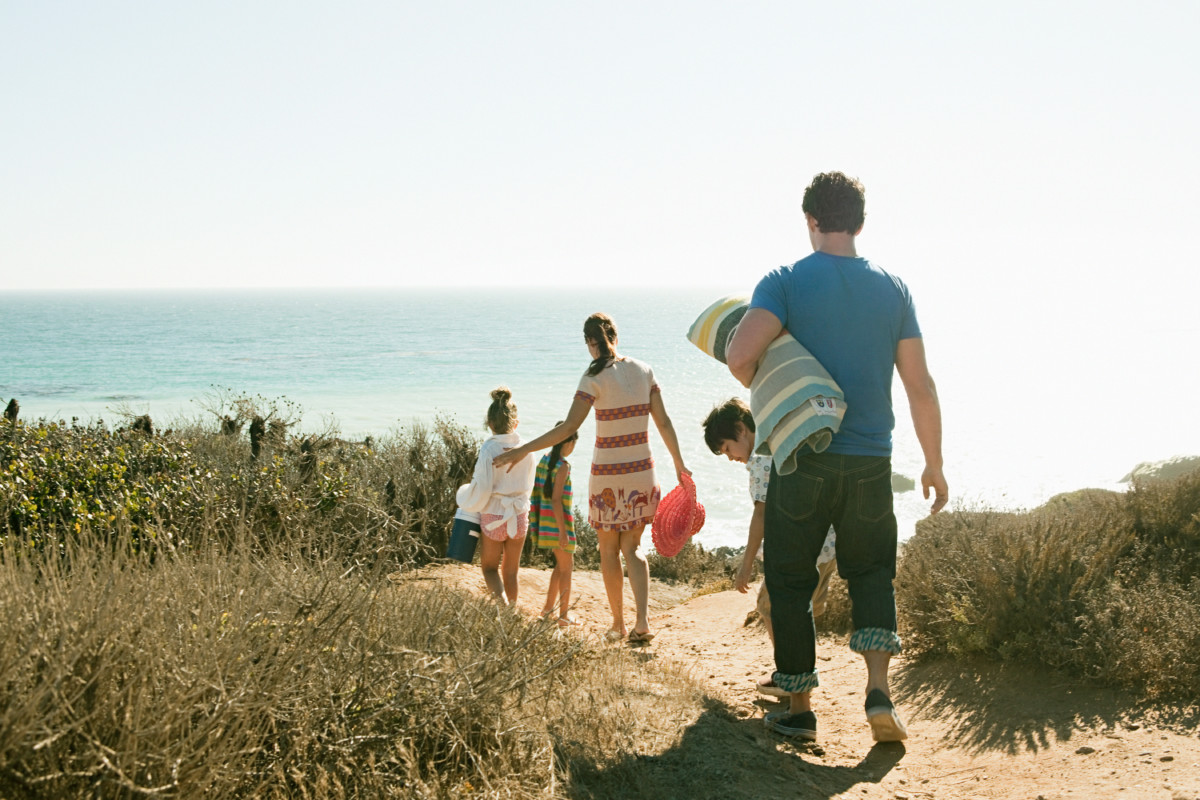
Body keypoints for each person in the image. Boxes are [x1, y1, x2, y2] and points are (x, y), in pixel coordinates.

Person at [726, 171, 948, 744]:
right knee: (872, 572)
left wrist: (777, 378)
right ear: (860, 222)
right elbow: (919, 385)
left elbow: (740, 355)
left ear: (810, 221)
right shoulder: (893, 290)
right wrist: (934, 463)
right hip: (873, 459)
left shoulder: (786, 282)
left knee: (792, 579)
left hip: (803, 459)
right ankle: (879, 694)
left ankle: (800, 707)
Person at [494, 312, 691, 642]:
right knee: (633, 547)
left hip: (608, 477)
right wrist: (679, 465)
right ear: (615, 334)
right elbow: (665, 423)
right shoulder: (644, 370)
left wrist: (521, 450)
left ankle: (619, 624)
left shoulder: (592, 378)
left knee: (607, 550)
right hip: (643, 471)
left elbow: (569, 428)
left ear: (590, 343)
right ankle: (643, 623)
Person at [702, 397, 837, 698]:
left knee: (770, 607)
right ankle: (798, 674)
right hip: (826, 543)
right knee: (804, 612)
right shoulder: (781, 436)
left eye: (726, 448)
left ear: (741, 429)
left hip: (799, 549)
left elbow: (761, 514)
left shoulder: (761, 459)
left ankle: (790, 676)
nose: (729, 457)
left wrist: (746, 564)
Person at [455, 387, 538, 605]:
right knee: (511, 571)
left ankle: (502, 608)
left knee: (490, 568)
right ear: (516, 423)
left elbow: (481, 488)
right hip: (519, 515)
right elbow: (529, 486)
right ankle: (511, 613)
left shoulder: (488, 449)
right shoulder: (527, 449)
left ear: (490, 423)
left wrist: (464, 495)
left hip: (493, 516)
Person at [530, 424, 580, 626]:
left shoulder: (544, 459)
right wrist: (563, 531)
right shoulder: (563, 466)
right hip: (558, 524)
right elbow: (556, 500)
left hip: (545, 523)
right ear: (568, 442)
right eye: (574, 443)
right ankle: (563, 615)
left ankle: (547, 609)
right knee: (567, 567)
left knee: (560, 566)